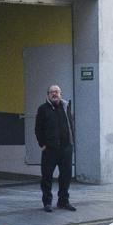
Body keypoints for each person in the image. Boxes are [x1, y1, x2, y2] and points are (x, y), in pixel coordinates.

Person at [34, 84, 75, 212]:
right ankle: (47, 202)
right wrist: (43, 144)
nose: (54, 94)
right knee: (47, 177)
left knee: (66, 176)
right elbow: (38, 129)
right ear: (48, 95)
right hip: (50, 150)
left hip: (66, 148)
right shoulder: (43, 109)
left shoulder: (65, 106)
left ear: (60, 94)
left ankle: (63, 201)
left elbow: (70, 125)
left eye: (57, 91)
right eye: (52, 92)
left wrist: (71, 142)